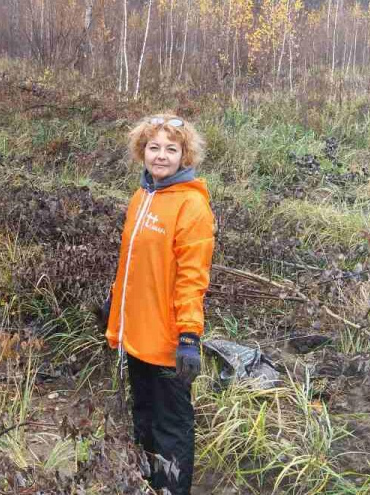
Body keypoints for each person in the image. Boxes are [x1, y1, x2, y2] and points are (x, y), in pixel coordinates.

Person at [105, 114, 214, 495]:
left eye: (172, 149)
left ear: (185, 155)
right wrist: (116, 304)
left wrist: (188, 335)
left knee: (172, 428)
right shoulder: (142, 197)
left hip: (168, 342)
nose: (161, 156)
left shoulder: (191, 206)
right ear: (142, 152)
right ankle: (146, 486)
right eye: (154, 147)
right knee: (144, 419)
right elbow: (132, 263)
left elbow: (192, 278)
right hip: (138, 335)